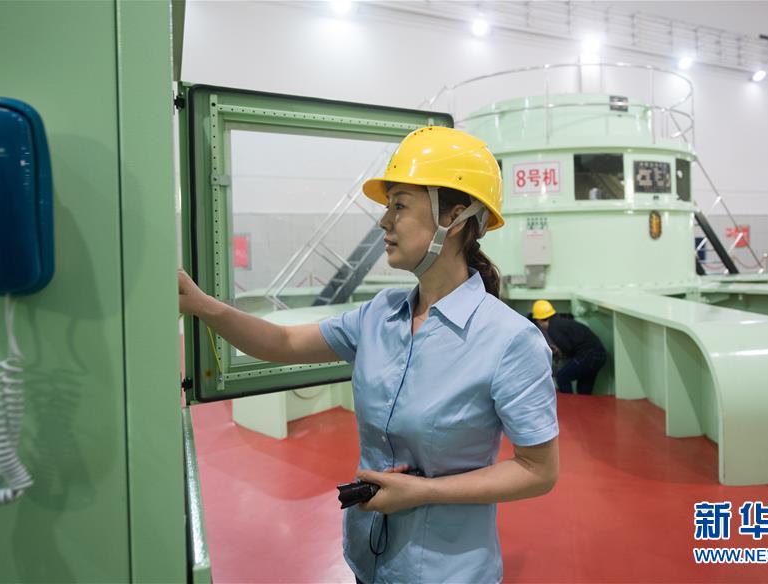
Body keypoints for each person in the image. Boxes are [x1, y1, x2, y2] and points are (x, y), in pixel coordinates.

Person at [178, 126, 559, 584]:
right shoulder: (380, 315)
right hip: (368, 557)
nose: (383, 221)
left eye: (399, 205)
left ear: (455, 218)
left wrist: (424, 492)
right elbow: (282, 344)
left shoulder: (509, 340)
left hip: (445, 571)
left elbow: (537, 471)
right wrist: (202, 305)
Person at [531, 300, 607, 395]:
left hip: (588, 355)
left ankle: (569, 403)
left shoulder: (552, 328)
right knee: (583, 390)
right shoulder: (560, 322)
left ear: (539, 321)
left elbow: (568, 349)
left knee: (562, 377)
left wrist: (558, 352)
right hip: (599, 355)